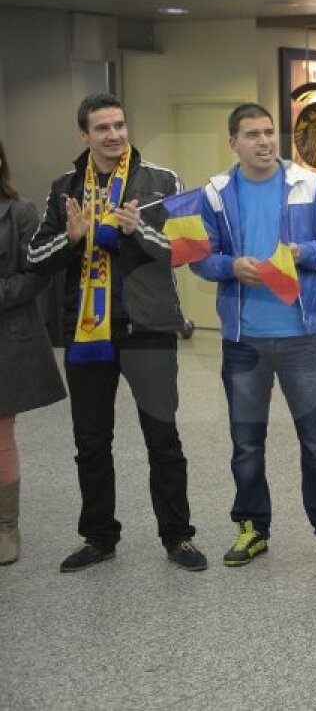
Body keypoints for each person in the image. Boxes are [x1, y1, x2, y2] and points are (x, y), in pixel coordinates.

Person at [27, 93, 206, 572]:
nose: (114, 135)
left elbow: (190, 248)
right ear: (84, 135)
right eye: (102, 128)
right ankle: (99, 537)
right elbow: (34, 257)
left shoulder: (161, 180)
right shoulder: (64, 186)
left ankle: (178, 536)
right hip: (87, 333)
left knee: (162, 438)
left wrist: (136, 232)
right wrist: (73, 238)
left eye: (120, 125)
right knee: (90, 443)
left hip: (148, 329)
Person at [191, 102, 316, 569]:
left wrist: (303, 251)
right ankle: (251, 528)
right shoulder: (217, 193)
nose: (264, 142)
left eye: (269, 133)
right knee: (246, 442)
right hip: (244, 341)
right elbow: (202, 258)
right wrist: (230, 266)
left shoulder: (308, 184)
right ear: (233, 143)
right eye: (252, 134)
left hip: (302, 336)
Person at [1, 140, 68, 565]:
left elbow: (38, 273)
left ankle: (6, 526)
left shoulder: (21, 212)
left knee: (0, 435)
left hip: (7, 336)